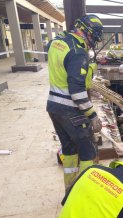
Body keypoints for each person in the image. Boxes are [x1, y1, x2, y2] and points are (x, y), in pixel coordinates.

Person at [46, 14, 104, 192]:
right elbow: (78, 91)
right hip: (71, 110)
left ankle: (70, 189)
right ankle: (84, 193)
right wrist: (92, 115)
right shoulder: (78, 52)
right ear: (87, 32)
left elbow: (66, 71)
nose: (93, 41)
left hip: (54, 107)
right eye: (94, 37)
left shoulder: (59, 41)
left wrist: (90, 67)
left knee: (69, 150)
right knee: (89, 152)